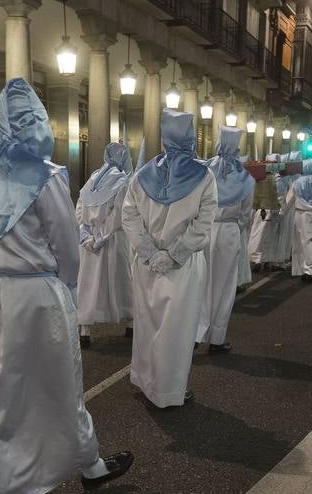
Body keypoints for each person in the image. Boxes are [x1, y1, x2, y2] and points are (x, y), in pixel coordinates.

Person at [0, 79, 133, 494]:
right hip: (36, 293)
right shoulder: (45, 174)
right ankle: (86, 464)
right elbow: (66, 245)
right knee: (59, 386)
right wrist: (67, 287)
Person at [123, 109, 216, 408]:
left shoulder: (142, 175)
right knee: (175, 330)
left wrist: (150, 253)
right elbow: (204, 222)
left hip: (147, 265)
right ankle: (168, 391)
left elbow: (130, 217)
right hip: (183, 266)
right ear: (190, 136)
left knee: (147, 323)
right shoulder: (204, 176)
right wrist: (175, 254)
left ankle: (146, 380)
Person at [196, 126, 255, 352]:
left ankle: (195, 332)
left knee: (201, 281)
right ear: (238, 148)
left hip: (204, 230)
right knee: (224, 285)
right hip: (229, 231)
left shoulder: (204, 170)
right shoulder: (244, 177)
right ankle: (217, 338)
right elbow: (246, 214)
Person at [77, 140, 136, 347]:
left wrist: (85, 236)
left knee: (88, 284)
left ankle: (84, 328)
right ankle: (130, 322)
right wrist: (101, 237)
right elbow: (119, 216)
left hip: (89, 243)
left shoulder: (93, 179)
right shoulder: (123, 181)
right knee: (122, 281)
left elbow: (79, 211)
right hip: (114, 241)